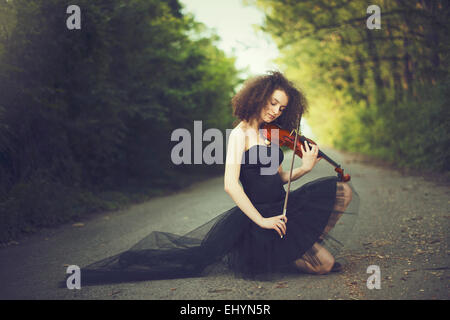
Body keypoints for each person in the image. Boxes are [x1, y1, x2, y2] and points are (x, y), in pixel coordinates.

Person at [63, 71, 359, 287]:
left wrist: (305, 168)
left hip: (280, 206)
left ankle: (301, 243)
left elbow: (276, 177)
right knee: (326, 265)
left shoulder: (271, 135)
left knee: (341, 191)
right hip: (259, 220)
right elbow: (232, 185)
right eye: (272, 103)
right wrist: (262, 221)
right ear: (258, 97)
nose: (274, 111)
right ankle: (287, 251)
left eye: (281, 108)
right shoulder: (240, 136)